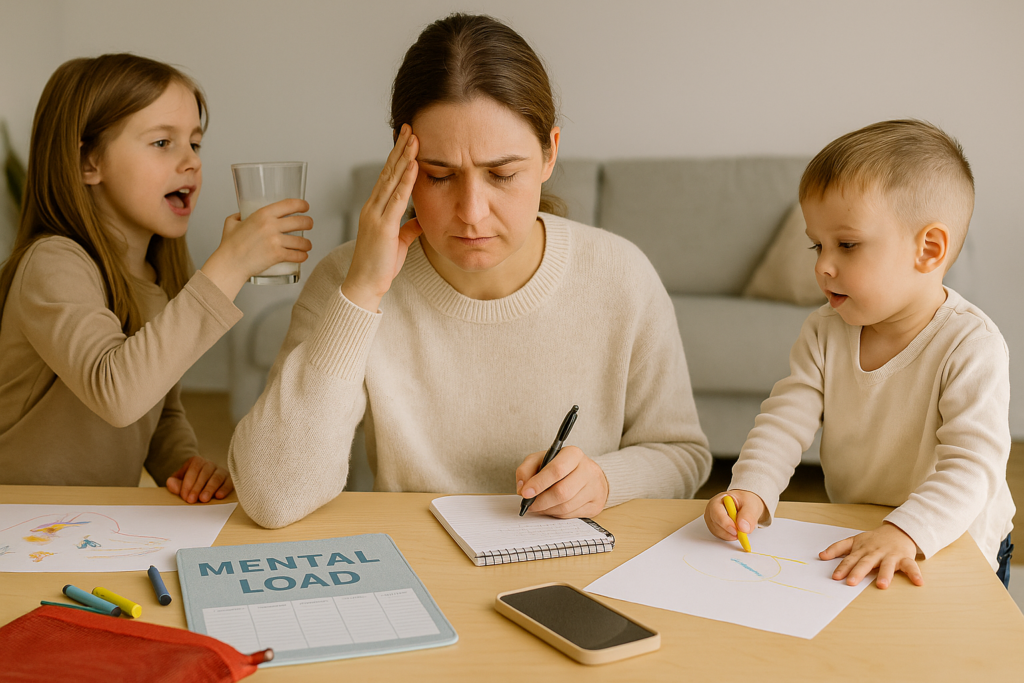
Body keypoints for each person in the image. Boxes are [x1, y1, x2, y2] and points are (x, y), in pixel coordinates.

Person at [229, 13, 711, 529]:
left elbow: (682, 453)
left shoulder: (621, 276)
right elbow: (271, 497)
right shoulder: (347, 280)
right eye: (439, 177)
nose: (472, 212)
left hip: (571, 561)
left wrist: (605, 482)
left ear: (550, 154)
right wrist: (361, 294)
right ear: (402, 163)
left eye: (502, 174)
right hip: (414, 562)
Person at [704, 120, 1014, 589]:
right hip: (862, 525)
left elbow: (973, 467)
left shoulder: (972, 345)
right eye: (818, 245)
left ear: (928, 249)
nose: (823, 265)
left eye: (847, 245)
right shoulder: (823, 331)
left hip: (952, 537)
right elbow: (784, 423)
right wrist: (751, 488)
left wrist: (905, 531)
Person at [0, 53, 313, 502]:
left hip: (93, 522)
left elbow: (157, 408)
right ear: (89, 162)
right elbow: (118, 393)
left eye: (195, 143)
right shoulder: (52, 263)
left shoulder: (152, 274)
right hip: (19, 524)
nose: (191, 162)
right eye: (163, 143)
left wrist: (182, 462)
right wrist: (229, 266)